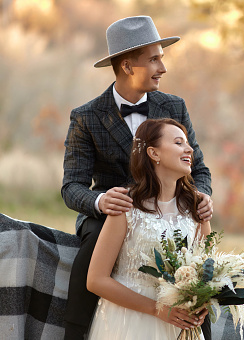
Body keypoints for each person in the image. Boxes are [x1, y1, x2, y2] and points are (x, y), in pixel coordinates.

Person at [61, 16, 213, 339]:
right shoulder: (86, 117)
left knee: (195, 271)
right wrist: (101, 200)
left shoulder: (174, 106)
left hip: (169, 205)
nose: (163, 67)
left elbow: (197, 166)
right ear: (128, 66)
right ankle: (74, 332)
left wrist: (202, 196)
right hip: (112, 214)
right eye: (154, 59)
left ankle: (201, 330)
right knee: (91, 253)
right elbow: (71, 186)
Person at [86, 118, 211, 339]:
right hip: (128, 323)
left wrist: (202, 304)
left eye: (187, 143)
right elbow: (96, 279)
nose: (189, 149)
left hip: (179, 325)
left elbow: (207, 272)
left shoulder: (196, 207)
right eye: (178, 142)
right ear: (154, 153)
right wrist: (156, 309)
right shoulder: (126, 205)